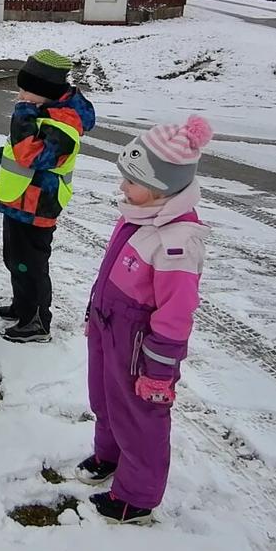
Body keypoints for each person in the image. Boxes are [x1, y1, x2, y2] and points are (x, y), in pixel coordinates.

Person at [79, 115, 211, 526]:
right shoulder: (137, 214)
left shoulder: (177, 241)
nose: (122, 187)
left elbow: (176, 311)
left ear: (160, 188)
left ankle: (136, 497)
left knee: (139, 415)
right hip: (109, 326)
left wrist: (160, 367)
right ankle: (109, 455)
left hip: (140, 342)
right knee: (104, 397)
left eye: (131, 181)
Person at [0, 50, 95, 343]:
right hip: (18, 203)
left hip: (38, 207)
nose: (20, 96)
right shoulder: (43, 112)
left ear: (45, 91)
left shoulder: (65, 125)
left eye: (26, 89)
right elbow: (13, 153)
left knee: (31, 265)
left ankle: (37, 322)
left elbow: (30, 155)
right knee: (15, 259)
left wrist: (23, 113)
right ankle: (23, 306)